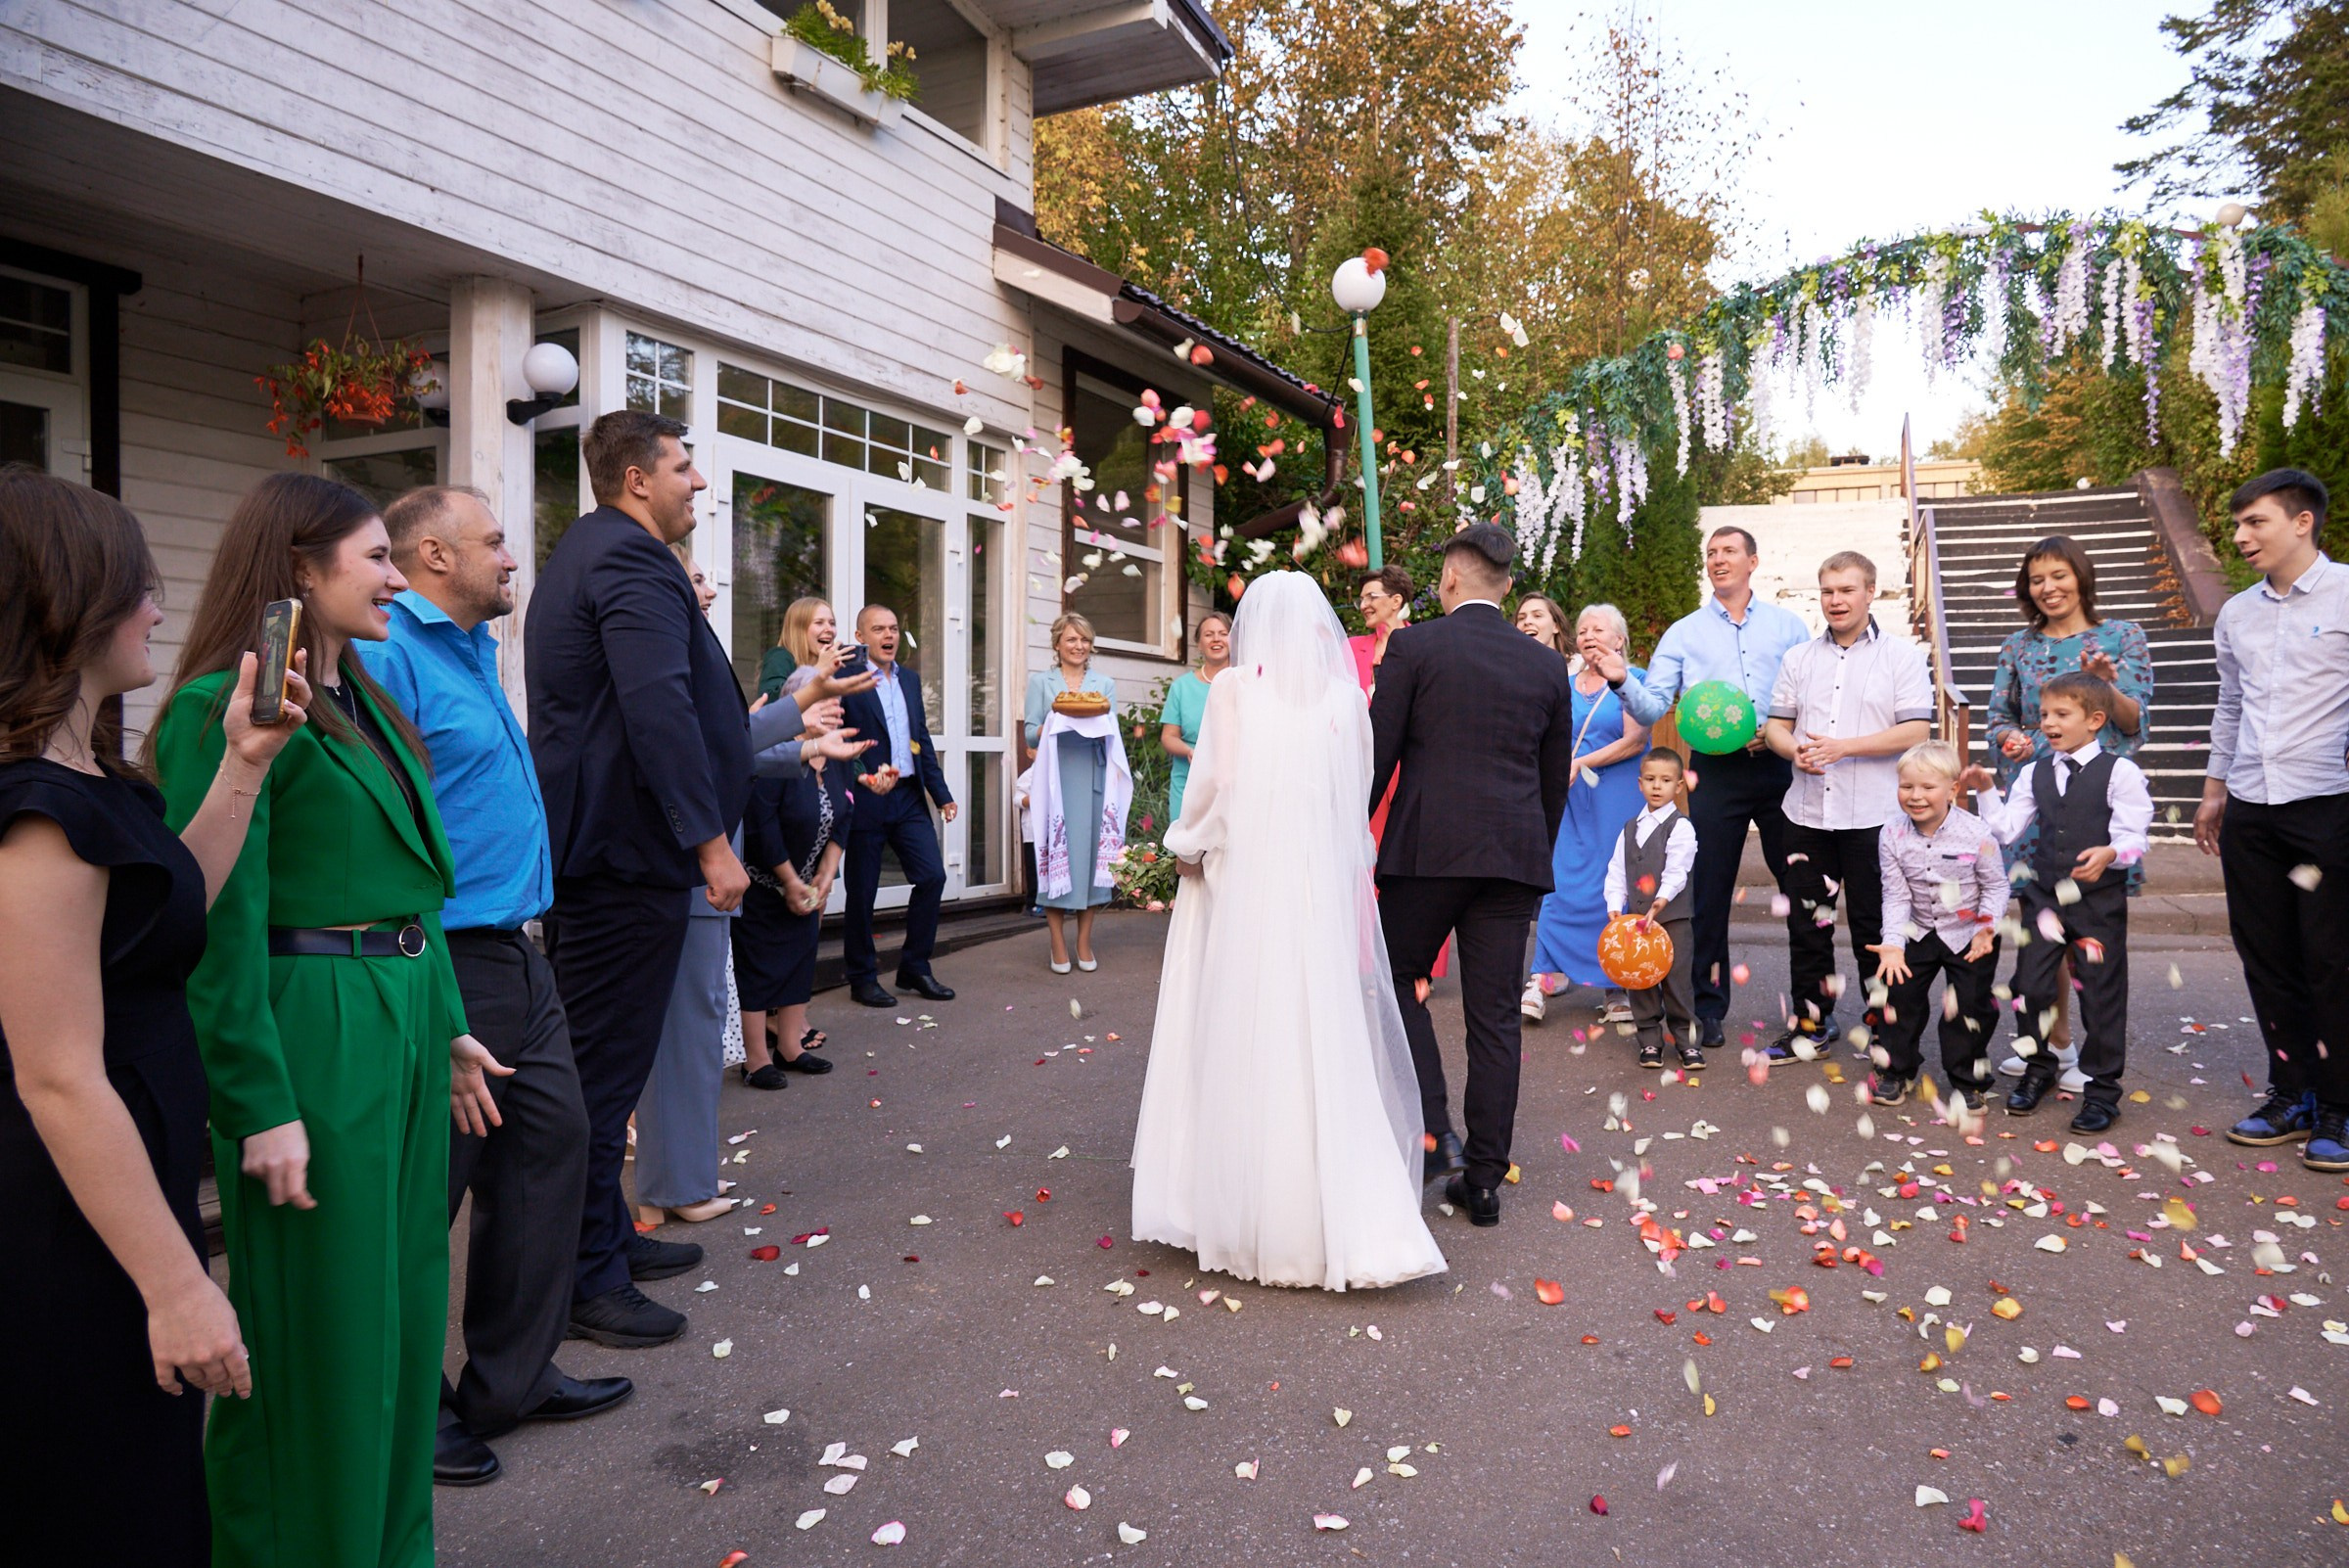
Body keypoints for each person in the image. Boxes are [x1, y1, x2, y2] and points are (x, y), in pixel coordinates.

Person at [151, 471, 506, 1568]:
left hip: (397, 1021)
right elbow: (213, 927)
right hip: (317, 1031)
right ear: (301, 569)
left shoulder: (362, 702)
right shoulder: (229, 706)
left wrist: (445, 1026)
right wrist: (259, 1104)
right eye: (377, 560)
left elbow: (413, 884)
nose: (398, 576)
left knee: (400, 1332)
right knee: (326, 1344)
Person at [0, 471, 305, 1565]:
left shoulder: (90, 776)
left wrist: (243, 762)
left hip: (126, 1206)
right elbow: (56, 1076)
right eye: (141, 588)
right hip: (66, 1237)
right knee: (103, 1499)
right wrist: (176, 1286)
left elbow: (174, 904)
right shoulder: (34, 814)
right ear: (72, 603)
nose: (160, 612)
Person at [524, 410, 819, 1350]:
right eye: (685, 467)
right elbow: (658, 708)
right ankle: (585, 1281)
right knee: (602, 1082)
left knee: (610, 1065)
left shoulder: (600, 549)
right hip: (624, 859)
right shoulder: (627, 559)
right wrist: (710, 844)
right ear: (637, 478)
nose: (699, 483)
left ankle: (607, 1239)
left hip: (616, 855)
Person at [361, 486, 628, 1488]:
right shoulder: (390, 655)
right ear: (433, 553)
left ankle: (511, 1380)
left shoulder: (469, 650)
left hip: (522, 952)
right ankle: (408, 1407)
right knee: (427, 1191)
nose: (512, 557)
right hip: (446, 956)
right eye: (496, 542)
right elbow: (384, 830)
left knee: (552, 1148)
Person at [1133, 571, 1445, 1290]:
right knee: (1318, 1027)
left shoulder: (1236, 690)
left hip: (1248, 882)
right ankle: (1327, 1209)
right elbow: (1355, 796)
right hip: (1318, 883)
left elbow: (1217, 785)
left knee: (1250, 1026)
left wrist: (1186, 845)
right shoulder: (1345, 698)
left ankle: (1249, 1210)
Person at [1369, 524, 1576, 1226]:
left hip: (1426, 851)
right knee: (1495, 1019)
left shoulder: (1415, 645)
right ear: (1507, 585)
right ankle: (1484, 1179)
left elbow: (1378, 756)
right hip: (1512, 856)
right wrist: (1530, 852)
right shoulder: (1546, 665)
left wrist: (1346, 838)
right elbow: (1554, 783)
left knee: (1392, 978)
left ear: (1450, 579)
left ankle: (1437, 1137)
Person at [1591, 527, 1810, 1047]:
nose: (1718, 559)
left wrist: (1785, 734)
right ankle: (1705, 1010)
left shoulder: (1789, 627)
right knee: (1706, 895)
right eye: (1710, 553)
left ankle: (1810, 1013)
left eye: (1728, 551)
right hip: (1715, 772)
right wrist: (1623, 680)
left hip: (1781, 770)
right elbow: (1651, 707)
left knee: (1800, 891)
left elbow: (1812, 693)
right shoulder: (1684, 633)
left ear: (1752, 561)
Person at [2196, 470, 2349, 1170]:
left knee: (2331, 958)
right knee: (2267, 957)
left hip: (2328, 803)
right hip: (2252, 805)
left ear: (2301, 522)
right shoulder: (2238, 614)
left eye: (2254, 522)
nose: (2241, 537)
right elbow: (2230, 707)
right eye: (2237, 524)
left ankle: (2340, 1108)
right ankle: (2291, 1094)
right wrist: (2213, 789)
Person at [1983, 534, 2154, 1086]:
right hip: (2036, 799)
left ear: (2081, 576)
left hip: (2098, 805)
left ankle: (2094, 1059)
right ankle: (2056, 1046)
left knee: (2090, 934)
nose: (2048, 588)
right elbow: (1998, 719)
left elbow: (2134, 724)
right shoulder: (2018, 646)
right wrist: (2011, 741)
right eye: (2036, 579)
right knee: (2039, 932)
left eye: (2058, 575)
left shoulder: (2122, 637)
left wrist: (2106, 685)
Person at [1958, 671, 2150, 1134]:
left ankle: (2103, 1092)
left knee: (2103, 994)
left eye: (2061, 714)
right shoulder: (2034, 771)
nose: (2048, 723)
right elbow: (2005, 829)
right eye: (2044, 714)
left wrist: (2110, 854)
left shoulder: (2119, 771)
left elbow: (2133, 835)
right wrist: (1985, 789)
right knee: (2030, 985)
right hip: (2044, 893)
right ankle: (2039, 1067)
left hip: (2097, 899)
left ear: (2095, 720)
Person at [1759, 551, 1932, 1060]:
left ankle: (1884, 1032)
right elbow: (1775, 727)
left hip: (1875, 818)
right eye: (1828, 591)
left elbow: (1917, 730)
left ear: (1870, 592)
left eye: (1847, 590)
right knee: (1808, 928)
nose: (1836, 600)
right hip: (1807, 815)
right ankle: (1812, 1025)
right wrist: (1797, 752)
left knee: (1875, 930)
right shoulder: (1800, 658)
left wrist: (1843, 747)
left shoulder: (1900, 656)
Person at [633, 554, 742, 1231]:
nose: (709, 586)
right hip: (696, 868)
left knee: (690, 1026)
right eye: (697, 577)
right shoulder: (671, 660)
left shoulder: (687, 651)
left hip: (701, 867)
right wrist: (801, 708)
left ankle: (675, 1177)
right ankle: (678, 1185)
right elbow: (703, 752)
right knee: (689, 1028)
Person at [1863, 740, 2006, 1112]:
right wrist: (1892, 942)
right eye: (1907, 786)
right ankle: (1897, 1072)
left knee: (1969, 1008)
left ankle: (1967, 1080)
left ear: (1952, 789)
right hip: (1917, 929)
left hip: (1971, 933)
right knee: (1898, 999)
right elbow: (1896, 894)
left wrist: (1987, 927)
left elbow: (1996, 885)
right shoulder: (1890, 833)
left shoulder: (1977, 833)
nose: (1916, 796)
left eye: (1928, 787)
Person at [1525, 603, 1651, 1024]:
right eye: (1582, 630)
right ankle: (1542, 978)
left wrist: (1583, 762)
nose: (1589, 636)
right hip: (1569, 798)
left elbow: (1636, 740)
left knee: (1614, 888)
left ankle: (1615, 986)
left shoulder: (1635, 681)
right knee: (1559, 883)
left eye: (1599, 629)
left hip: (1617, 797)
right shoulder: (1561, 683)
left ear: (1619, 639)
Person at [839, 602, 956, 1006]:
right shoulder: (845, 678)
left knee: (932, 877)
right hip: (868, 796)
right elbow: (837, 736)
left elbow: (919, 738)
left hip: (907, 796)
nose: (888, 636)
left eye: (892, 628)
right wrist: (860, 777)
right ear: (860, 637)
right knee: (863, 891)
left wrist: (942, 795)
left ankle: (915, 967)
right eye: (878, 629)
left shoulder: (909, 679)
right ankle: (862, 977)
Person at [735, 721, 853, 1088]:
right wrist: (789, 881)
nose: (835, 717)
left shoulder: (836, 759)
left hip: (805, 884)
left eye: (838, 709)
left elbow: (845, 814)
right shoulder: (779, 757)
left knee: (799, 961)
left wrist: (827, 873)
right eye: (824, 706)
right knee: (757, 968)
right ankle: (755, 1060)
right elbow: (761, 825)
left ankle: (790, 1046)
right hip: (763, 882)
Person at [1024, 612, 1126, 973]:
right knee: (1057, 856)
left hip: (1094, 775)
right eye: (1071, 639)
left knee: (1090, 857)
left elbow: (1110, 728)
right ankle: (1056, 941)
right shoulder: (1041, 682)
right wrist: (1054, 722)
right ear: (1057, 644)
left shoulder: (1104, 683)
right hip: (1057, 777)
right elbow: (1030, 732)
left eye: (1084, 639)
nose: (1079, 645)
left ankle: (1083, 941)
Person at [1602, 750, 1698, 1070]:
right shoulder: (1630, 828)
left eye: (1666, 780)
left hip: (1672, 920)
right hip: (1636, 924)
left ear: (1679, 786)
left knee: (1677, 982)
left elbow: (1678, 869)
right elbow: (1617, 870)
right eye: (1651, 780)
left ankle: (1686, 1042)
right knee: (1640, 981)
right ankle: (1649, 1042)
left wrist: (1663, 899)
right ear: (1640, 784)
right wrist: (1615, 907)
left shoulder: (1681, 827)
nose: (1658, 787)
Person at [1158, 610, 1230, 822]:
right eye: (1209, 634)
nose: (1216, 639)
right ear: (1199, 643)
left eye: (1223, 633)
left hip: (1232, 788)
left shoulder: (1245, 684)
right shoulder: (1181, 687)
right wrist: (1189, 751)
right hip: (1188, 783)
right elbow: (1168, 736)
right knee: (1186, 852)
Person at [1514, 593, 1572, 658]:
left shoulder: (1579, 665)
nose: (1527, 621)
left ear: (1556, 626)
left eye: (1537, 615)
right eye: (1521, 618)